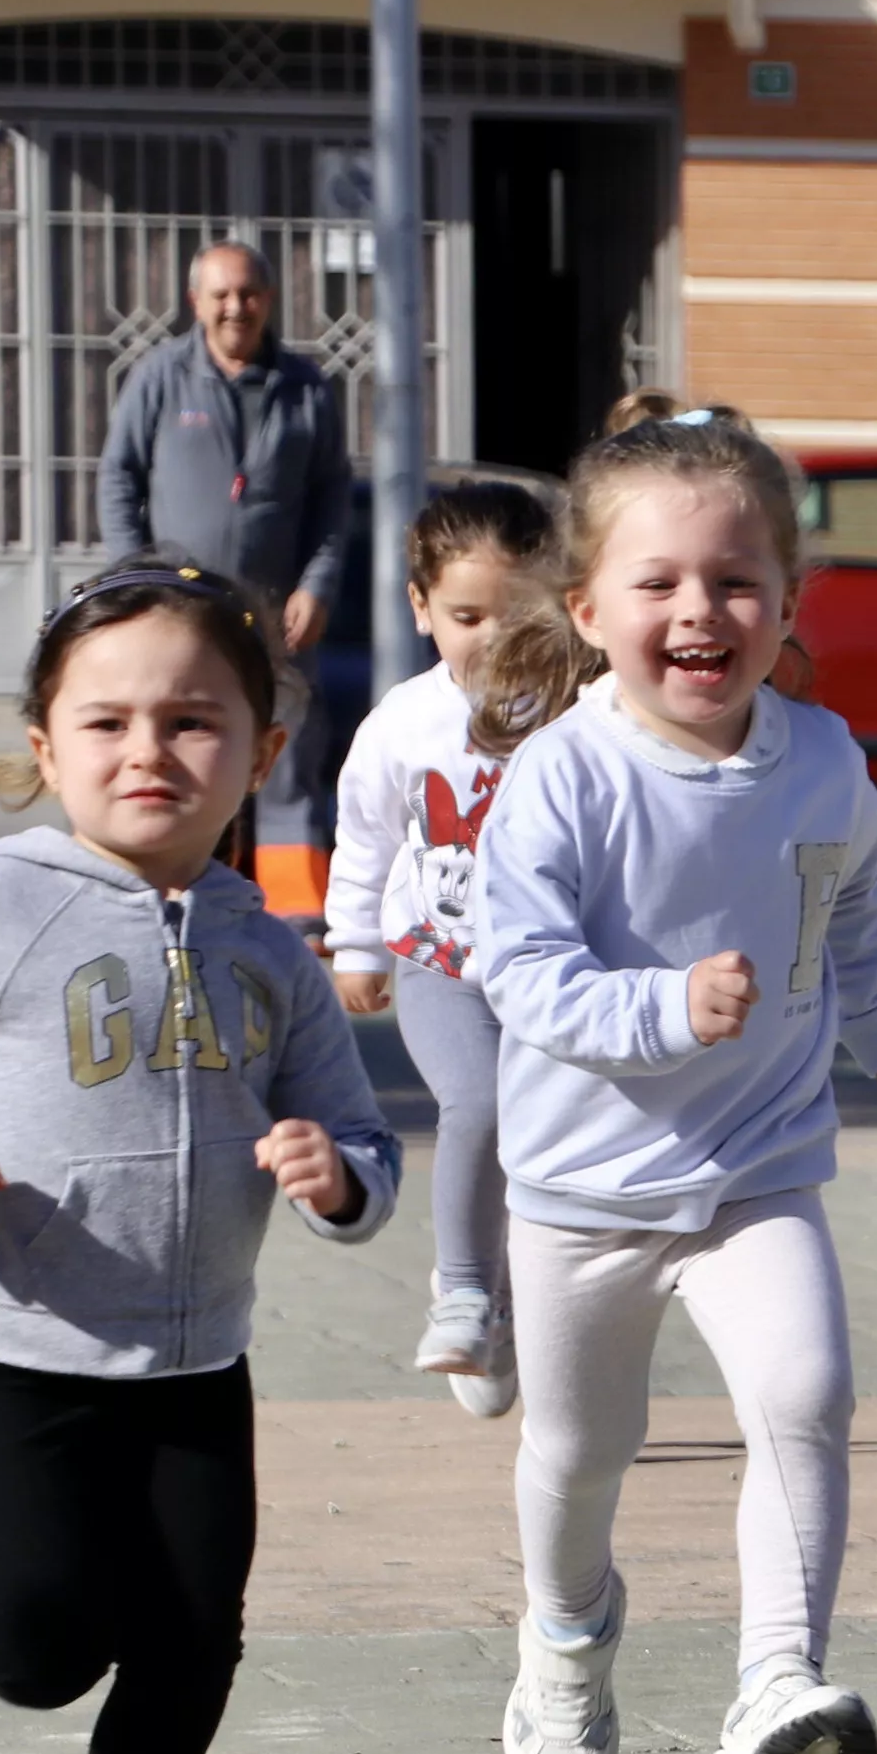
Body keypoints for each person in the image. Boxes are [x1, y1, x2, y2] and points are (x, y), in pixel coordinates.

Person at [0, 564, 399, 1754]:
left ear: (263, 750)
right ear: (44, 747)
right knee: (41, 1641)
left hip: (197, 1355)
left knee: (195, 1623)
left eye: (193, 722)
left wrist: (341, 1172)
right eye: (106, 723)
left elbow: (359, 1123)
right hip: (14, 1340)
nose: (148, 753)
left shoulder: (266, 946)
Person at [470, 411, 877, 1754]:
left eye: (739, 583)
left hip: (760, 1165)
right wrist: (664, 1009)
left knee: (806, 1397)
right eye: (661, 583)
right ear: (588, 611)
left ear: (790, 606)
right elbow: (523, 972)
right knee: (577, 1452)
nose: (701, 611)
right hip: (579, 1190)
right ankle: (565, 1641)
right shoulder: (561, 775)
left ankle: (776, 1682)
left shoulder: (820, 762)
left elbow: (853, 912)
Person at [322, 479, 556, 1419]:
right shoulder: (402, 724)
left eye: (518, 613)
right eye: (466, 616)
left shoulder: (579, 710)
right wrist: (356, 945)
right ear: (421, 608)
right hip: (440, 965)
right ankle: (464, 1288)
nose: (493, 639)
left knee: (550, 1148)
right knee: (482, 1105)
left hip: (556, 973)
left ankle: (517, 1304)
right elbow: (366, 837)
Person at [93, 240, 357, 925]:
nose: (236, 307)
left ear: (269, 300)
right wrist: (136, 573)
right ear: (196, 303)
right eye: (221, 294)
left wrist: (317, 586)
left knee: (288, 753)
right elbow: (118, 475)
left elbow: (332, 497)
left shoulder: (305, 387)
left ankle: (295, 913)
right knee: (189, 744)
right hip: (179, 613)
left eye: (249, 294)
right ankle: (184, 889)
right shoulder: (159, 378)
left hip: (277, 616)